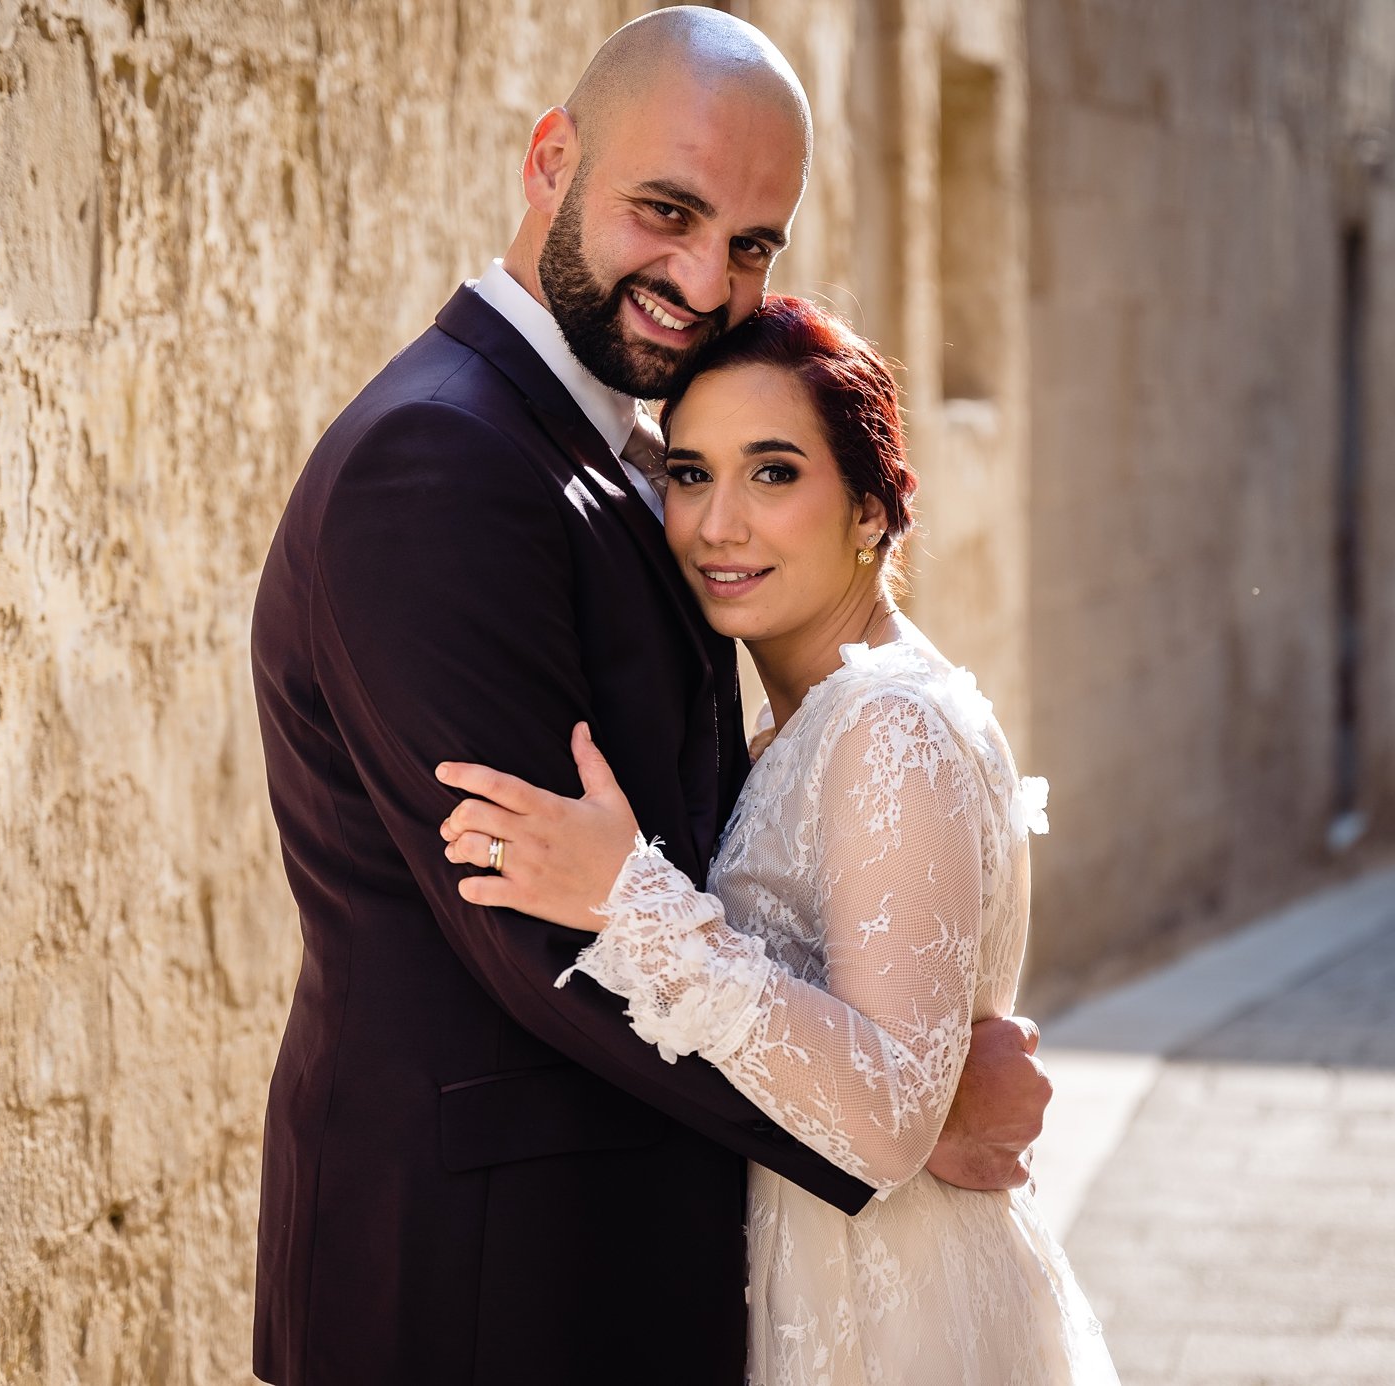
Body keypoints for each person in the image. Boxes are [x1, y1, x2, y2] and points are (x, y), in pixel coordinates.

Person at [247, 9, 1055, 1384]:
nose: (701, 277)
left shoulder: (616, 450)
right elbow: (534, 932)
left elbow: (675, 862)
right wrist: (902, 1113)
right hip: (482, 1287)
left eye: (749, 244)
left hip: (599, 1272)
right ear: (550, 159)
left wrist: (897, 1073)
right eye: (665, 210)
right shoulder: (437, 465)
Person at [437, 296, 1121, 1385]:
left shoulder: (885, 725)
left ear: (868, 508)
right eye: (691, 474)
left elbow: (891, 1117)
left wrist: (631, 902)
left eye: (772, 473)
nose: (718, 524)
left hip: (888, 1312)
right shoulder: (803, 724)